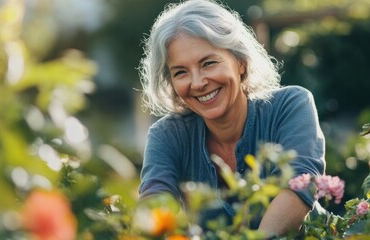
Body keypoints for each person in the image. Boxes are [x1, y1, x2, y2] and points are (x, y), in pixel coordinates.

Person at [138, 0, 326, 237]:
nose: (197, 83)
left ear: (240, 62)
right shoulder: (167, 135)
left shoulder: (290, 105)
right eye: (181, 72)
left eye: (208, 63)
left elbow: (300, 186)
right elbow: (154, 203)